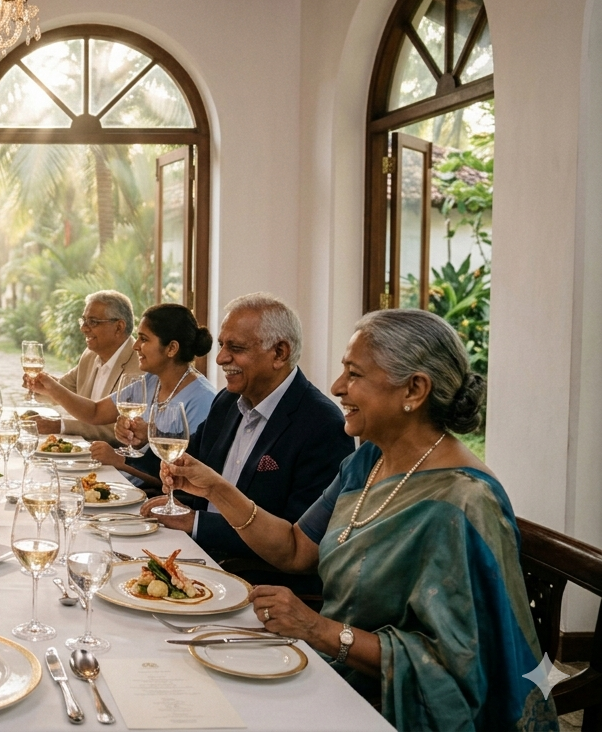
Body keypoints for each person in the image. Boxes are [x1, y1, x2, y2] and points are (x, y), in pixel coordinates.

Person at [159, 309, 556, 730]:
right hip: (329, 667)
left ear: (415, 389)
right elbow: (296, 548)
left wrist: (318, 629)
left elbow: (455, 667)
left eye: (354, 374)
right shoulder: (369, 460)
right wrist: (216, 489)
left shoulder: (464, 501)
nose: (336, 387)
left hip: (389, 703)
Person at [129, 293, 355, 585]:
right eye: (222, 345)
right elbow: (187, 462)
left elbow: (299, 542)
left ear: (279, 353)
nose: (221, 358)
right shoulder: (227, 401)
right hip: (192, 558)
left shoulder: (322, 425)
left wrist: (197, 523)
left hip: (251, 581)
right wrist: (161, 468)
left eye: (235, 348)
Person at [27, 302, 216, 482]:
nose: (135, 346)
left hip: (153, 493)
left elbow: (184, 476)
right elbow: (96, 412)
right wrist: (52, 387)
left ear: (172, 348)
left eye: (144, 339)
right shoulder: (151, 381)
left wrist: (121, 460)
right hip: (128, 480)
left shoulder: (203, 399)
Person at [29, 290, 139, 445]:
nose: (84, 328)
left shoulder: (139, 366)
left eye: (93, 322)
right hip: (83, 450)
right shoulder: (90, 355)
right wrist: (38, 386)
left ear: (119, 327)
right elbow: (64, 389)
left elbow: (122, 429)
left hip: (115, 456)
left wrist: (60, 425)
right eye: (83, 321)